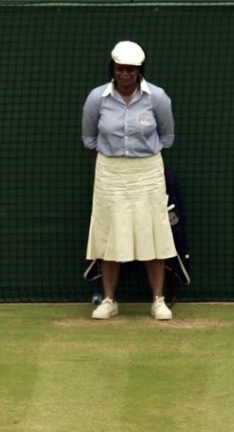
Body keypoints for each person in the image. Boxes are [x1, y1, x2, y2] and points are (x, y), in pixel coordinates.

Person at [82, 40, 176, 321]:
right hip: (109, 172)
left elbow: (167, 137)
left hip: (148, 172)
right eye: (120, 68)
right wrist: (116, 160)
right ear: (112, 68)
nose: (125, 74)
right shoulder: (97, 98)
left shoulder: (157, 97)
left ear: (139, 71)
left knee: (153, 232)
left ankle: (158, 300)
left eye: (131, 69)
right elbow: (89, 138)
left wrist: (139, 159)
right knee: (109, 233)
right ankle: (109, 300)